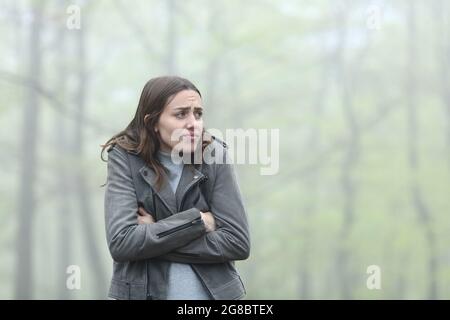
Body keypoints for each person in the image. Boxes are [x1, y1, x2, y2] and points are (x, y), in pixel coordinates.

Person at [101, 76, 250, 300]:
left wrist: (154, 233)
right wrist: (198, 221)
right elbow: (122, 243)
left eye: (198, 113)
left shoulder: (214, 155)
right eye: (181, 114)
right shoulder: (124, 158)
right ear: (152, 122)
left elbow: (237, 243)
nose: (194, 123)